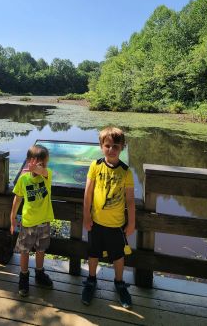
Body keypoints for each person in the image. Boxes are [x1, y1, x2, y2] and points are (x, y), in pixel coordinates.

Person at [82, 126, 136, 309]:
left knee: (118, 256)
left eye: (116, 146)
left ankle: (119, 283)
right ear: (101, 146)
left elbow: (130, 201)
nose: (111, 150)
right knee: (93, 253)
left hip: (117, 225)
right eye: (107, 146)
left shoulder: (126, 171)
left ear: (122, 147)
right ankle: (91, 280)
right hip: (96, 222)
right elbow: (88, 194)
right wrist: (86, 216)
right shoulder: (95, 166)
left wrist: (131, 223)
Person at [10, 144, 54, 297]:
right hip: (28, 223)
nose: (43, 167)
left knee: (41, 249)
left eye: (44, 163)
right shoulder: (23, 179)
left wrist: (38, 168)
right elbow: (17, 199)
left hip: (44, 222)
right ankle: (23, 277)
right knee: (24, 251)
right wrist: (12, 217)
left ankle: (40, 273)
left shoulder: (46, 175)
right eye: (39, 163)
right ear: (29, 161)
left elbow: (42, 171)